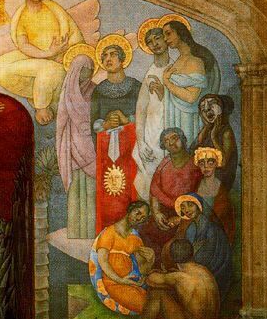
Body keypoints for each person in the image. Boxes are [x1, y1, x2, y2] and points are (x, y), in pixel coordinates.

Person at [0, 0, 84, 125]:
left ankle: (42, 107)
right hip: (37, 56)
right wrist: (47, 53)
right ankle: (36, 91)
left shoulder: (54, 10)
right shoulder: (22, 15)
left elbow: (74, 39)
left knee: (50, 70)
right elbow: (23, 45)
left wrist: (62, 54)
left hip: (59, 60)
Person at [116, 239, 219, 319]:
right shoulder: (204, 271)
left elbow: (150, 279)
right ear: (191, 254)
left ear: (172, 258)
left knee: (157, 293)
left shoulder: (179, 277)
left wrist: (150, 267)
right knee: (171, 292)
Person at [90, 36, 142, 232]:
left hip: (131, 146)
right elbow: (93, 122)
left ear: (122, 59)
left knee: (131, 187)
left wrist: (126, 119)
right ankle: (107, 232)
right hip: (106, 149)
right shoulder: (98, 91)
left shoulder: (136, 87)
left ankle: (132, 232)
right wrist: (104, 124)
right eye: (104, 56)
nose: (108, 59)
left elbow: (146, 115)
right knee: (109, 190)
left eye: (112, 55)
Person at [140, 127, 202, 256]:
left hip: (188, 213)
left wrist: (180, 218)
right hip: (164, 212)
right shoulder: (164, 163)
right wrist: (156, 213)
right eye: (166, 141)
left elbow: (200, 199)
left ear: (183, 139)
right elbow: (154, 191)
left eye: (174, 138)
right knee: (145, 232)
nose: (171, 142)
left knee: (175, 244)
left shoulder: (195, 164)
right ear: (164, 146)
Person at [56, 49, 97, 238]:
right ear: (75, 71)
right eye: (83, 69)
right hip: (72, 146)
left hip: (90, 146)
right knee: (75, 189)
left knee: (91, 188)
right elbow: (61, 122)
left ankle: (91, 231)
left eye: (90, 69)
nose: (87, 73)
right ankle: (75, 231)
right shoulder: (66, 93)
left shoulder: (95, 90)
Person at [87, 200, 151, 315]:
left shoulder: (136, 238)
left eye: (143, 218)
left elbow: (141, 270)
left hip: (131, 283)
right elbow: (103, 262)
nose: (139, 218)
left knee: (155, 299)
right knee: (147, 306)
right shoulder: (109, 232)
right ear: (130, 209)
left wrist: (151, 260)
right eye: (138, 213)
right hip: (113, 283)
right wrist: (121, 280)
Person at [161, 17, 219, 143]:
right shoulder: (179, 60)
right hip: (175, 117)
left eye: (168, 33)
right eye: (164, 35)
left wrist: (167, 82)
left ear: (180, 33)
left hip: (188, 120)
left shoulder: (195, 61)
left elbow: (191, 97)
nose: (165, 39)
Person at [134, 19, 173, 199]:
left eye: (158, 38)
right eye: (150, 42)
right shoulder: (149, 73)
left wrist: (165, 94)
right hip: (151, 131)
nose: (155, 44)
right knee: (148, 177)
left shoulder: (176, 68)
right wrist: (141, 142)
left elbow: (186, 103)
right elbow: (141, 109)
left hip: (171, 127)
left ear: (166, 39)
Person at [169, 194, 232, 300]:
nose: (186, 210)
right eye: (183, 207)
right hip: (195, 270)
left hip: (214, 274)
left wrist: (191, 255)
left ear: (198, 206)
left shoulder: (212, 229)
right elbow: (186, 254)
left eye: (190, 205)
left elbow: (207, 257)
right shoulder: (191, 228)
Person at [191, 94, 237, 190]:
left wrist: (213, 137)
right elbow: (192, 151)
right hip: (206, 175)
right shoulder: (207, 129)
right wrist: (206, 128)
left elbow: (223, 162)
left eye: (211, 104)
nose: (207, 109)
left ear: (221, 109)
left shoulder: (226, 133)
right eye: (203, 108)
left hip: (220, 179)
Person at [194, 147, 235, 242]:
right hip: (197, 230)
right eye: (201, 163)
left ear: (216, 164)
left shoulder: (222, 191)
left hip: (216, 235)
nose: (206, 166)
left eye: (210, 162)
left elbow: (226, 220)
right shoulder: (195, 186)